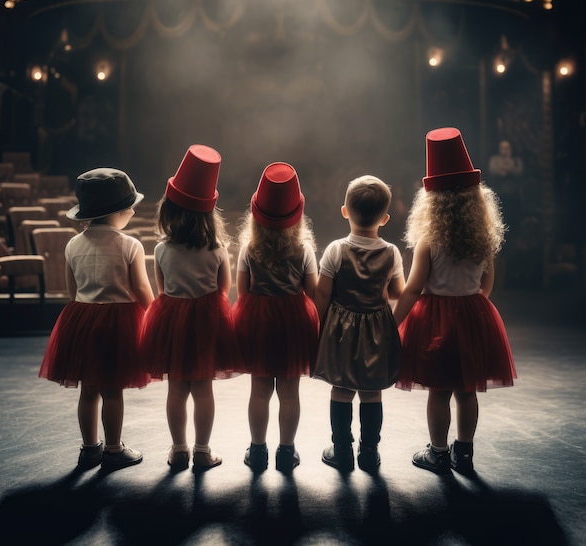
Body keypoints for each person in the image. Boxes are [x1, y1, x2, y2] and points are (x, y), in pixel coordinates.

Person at [393, 127, 517, 475]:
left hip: (434, 319)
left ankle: (438, 452)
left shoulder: (428, 241)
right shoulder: (482, 239)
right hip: (473, 314)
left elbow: (414, 288)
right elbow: (487, 283)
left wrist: (394, 321)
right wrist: (470, 305)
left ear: (432, 202)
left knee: (438, 390)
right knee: (467, 391)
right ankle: (465, 452)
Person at [39, 167, 154, 471]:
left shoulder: (73, 244)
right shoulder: (130, 245)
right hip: (118, 322)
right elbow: (142, 288)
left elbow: (71, 289)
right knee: (112, 389)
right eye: (130, 205)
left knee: (88, 390)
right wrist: (153, 315)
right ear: (120, 211)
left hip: (82, 318)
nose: (133, 209)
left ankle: (89, 449)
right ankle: (114, 450)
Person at [140, 144, 243, 473]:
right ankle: (202, 451)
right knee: (203, 389)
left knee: (176, 389)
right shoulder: (217, 248)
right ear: (208, 213)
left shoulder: (160, 249)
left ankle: (179, 449)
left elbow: (161, 289)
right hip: (206, 321)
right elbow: (224, 288)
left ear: (168, 210)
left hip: (172, 320)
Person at [313, 175, 405, 473]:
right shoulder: (391, 252)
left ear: (345, 211)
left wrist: (317, 330)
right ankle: (369, 451)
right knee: (371, 391)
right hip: (377, 329)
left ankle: (341, 450)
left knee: (341, 390)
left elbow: (322, 295)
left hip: (340, 329)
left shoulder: (335, 250)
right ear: (385, 218)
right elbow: (395, 292)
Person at [233, 162, 320, 474]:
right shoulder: (303, 248)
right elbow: (312, 291)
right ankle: (286, 451)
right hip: (293, 322)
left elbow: (242, 292)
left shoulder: (249, 247)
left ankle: (257, 451)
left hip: (258, 320)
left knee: (259, 390)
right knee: (289, 392)